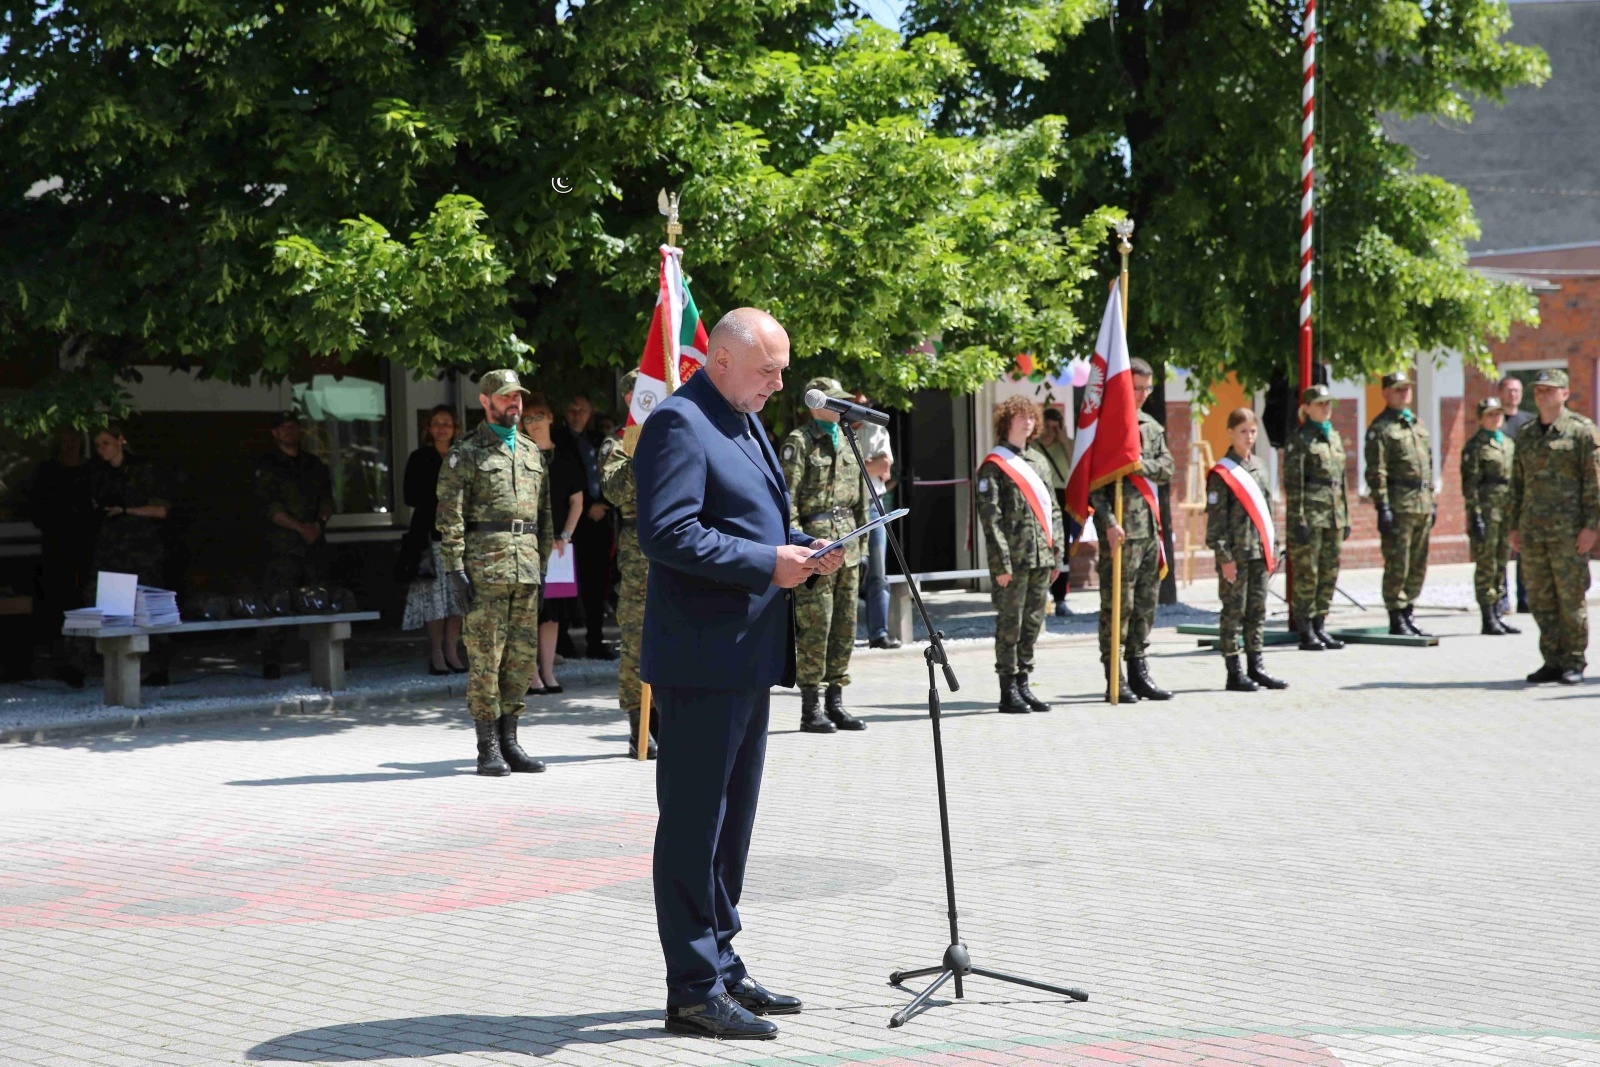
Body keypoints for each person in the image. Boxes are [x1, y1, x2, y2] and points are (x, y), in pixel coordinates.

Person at [634, 307, 845, 1040]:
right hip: (700, 659)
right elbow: (667, 532)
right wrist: (767, 562)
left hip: (745, 655)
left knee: (732, 824)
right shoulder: (680, 423)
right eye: (768, 369)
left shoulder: (743, 416)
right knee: (694, 824)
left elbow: (755, 523)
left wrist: (801, 547)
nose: (779, 383)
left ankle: (721, 962)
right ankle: (691, 987)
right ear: (720, 359)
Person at [436, 370, 555, 776]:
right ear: (485, 402)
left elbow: (545, 515)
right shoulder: (465, 451)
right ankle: (487, 746)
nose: (515, 405)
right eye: (506, 398)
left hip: (525, 569)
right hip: (485, 570)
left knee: (521, 660)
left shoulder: (530, 451)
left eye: (517, 398)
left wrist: (541, 566)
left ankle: (510, 740)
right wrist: (454, 569)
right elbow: (449, 516)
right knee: (487, 659)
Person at [779, 377, 869, 734]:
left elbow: (861, 500)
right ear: (815, 404)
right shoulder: (799, 443)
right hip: (816, 548)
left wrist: (861, 545)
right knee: (817, 627)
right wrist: (802, 549)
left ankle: (836, 701)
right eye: (834, 401)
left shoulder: (849, 440)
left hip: (847, 546)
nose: (841, 407)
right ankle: (810, 707)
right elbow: (787, 502)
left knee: (845, 627)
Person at [1089, 357, 1173, 702]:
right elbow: (1095, 487)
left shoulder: (1151, 427)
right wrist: (1108, 523)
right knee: (1116, 607)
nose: (1141, 394)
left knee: (1145, 605)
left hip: (1149, 530)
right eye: (1135, 388)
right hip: (1120, 534)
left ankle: (1138, 670)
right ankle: (1115, 675)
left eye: (1146, 388)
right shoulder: (1109, 429)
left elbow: (1167, 467)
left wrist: (1140, 465)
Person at [1508, 368, 1598, 686]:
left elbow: (1594, 482)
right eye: (1538, 390)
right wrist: (1514, 526)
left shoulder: (1582, 431)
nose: (1542, 394)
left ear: (1565, 394)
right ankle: (1552, 659)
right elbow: (1517, 483)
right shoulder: (1528, 433)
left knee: (1570, 598)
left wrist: (1592, 526)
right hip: (1533, 531)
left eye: (1549, 389)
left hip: (1569, 533)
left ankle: (1574, 660)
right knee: (1540, 598)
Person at [976, 396, 1064, 713]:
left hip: (1041, 558)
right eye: (1020, 417)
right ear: (1006, 421)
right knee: (1010, 625)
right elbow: (991, 519)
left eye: (1031, 417)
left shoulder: (1039, 462)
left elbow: (1054, 510)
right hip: (1012, 562)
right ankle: (1007, 689)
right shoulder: (994, 466)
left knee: (1032, 624)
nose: (1027, 422)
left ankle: (1024, 683)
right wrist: (1001, 564)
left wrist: (1057, 553)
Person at [1205, 409, 1287, 692]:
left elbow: (1269, 511)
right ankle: (1233, 670)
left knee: (1257, 610)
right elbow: (1215, 525)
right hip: (1236, 555)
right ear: (1230, 433)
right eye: (1243, 431)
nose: (1249, 437)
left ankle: (1256, 665)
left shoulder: (1261, 467)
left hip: (1259, 553)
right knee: (1233, 611)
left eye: (1252, 431)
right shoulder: (1223, 473)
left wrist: (1273, 548)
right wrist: (1224, 558)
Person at [599, 370, 657, 757]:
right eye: (641, 393)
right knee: (637, 639)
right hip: (640, 551)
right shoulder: (618, 442)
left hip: (680, 544)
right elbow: (613, 491)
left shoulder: (678, 430)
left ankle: (671, 719)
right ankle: (639, 724)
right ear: (628, 398)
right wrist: (643, 448)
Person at [88, 423, 172, 685]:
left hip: (143, 548)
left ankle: (159, 669)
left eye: (106, 443)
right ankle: (118, 672)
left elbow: (161, 510)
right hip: (113, 549)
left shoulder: (143, 470)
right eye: (98, 444)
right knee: (114, 613)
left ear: (120, 441)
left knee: (150, 608)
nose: (102, 449)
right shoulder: (99, 474)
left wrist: (126, 511)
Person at [254, 411, 334, 679]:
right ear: (275, 433)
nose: (289, 431)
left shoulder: (313, 464)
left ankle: (326, 657)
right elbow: (268, 506)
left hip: (313, 545)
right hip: (281, 548)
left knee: (319, 600)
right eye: (283, 427)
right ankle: (272, 661)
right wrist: (300, 528)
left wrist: (318, 526)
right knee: (276, 602)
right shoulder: (267, 466)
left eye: (293, 426)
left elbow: (326, 498)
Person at [1364, 370, 1435, 638]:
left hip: (1422, 503)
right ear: (1385, 393)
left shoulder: (1417, 424)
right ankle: (1396, 615)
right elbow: (1376, 471)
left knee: (1418, 562)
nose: (1404, 392)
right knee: (1398, 562)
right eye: (1398, 389)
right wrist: (1382, 507)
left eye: (1407, 388)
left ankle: (1409, 612)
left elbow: (1427, 464)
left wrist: (1433, 500)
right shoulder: (1381, 428)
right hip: (1399, 504)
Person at [400, 405, 469, 674]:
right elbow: (410, 496)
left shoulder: (461, 456)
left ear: (455, 429)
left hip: (460, 536)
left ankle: (453, 650)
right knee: (436, 600)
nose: (442, 428)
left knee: (457, 599)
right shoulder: (419, 457)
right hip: (430, 537)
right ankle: (436, 653)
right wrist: (441, 500)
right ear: (428, 429)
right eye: (437, 423)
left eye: (447, 424)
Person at [523, 396, 583, 695]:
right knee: (530, 611)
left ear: (549, 418)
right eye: (528, 418)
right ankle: (531, 675)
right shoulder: (521, 457)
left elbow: (577, 501)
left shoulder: (565, 458)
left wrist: (567, 535)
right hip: (527, 546)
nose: (533, 422)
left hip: (559, 548)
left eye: (538, 416)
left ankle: (548, 672)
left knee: (552, 614)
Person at [1283, 384, 1350, 651]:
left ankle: (1321, 624)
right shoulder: (1300, 439)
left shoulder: (1333, 436)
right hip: (1310, 515)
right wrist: (1297, 519)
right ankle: (1306, 629)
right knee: (1306, 574)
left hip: (1334, 515)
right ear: (1307, 408)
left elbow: (1341, 481)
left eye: (1328, 403)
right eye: (1320, 404)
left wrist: (1346, 516)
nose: (1326, 408)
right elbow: (1294, 483)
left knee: (1329, 571)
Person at [27, 429, 95, 687]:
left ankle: (83, 657)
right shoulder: (47, 471)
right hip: (57, 545)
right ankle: (59, 658)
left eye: (74, 440)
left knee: (85, 599)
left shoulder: (90, 471)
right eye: (65, 440)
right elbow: (36, 506)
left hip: (88, 545)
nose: (70, 445)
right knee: (57, 600)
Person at [1460, 396, 1519, 637]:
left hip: (1506, 509)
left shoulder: (1507, 443)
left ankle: (1498, 611)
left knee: (1502, 561)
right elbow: (1470, 485)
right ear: (1481, 418)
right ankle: (1487, 616)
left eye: (1498, 414)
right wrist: (1474, 516)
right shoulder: (1475, 446)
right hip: (1487, 509)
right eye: (1490, 414)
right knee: (1487, 563)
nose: (1496, 418)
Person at [564, 392, 615, 659]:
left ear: (590, 412)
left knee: (597, 585)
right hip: (570, 524)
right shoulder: (559, 441)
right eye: (572, 408)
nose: (576, 414)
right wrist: (585, 510)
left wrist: (604, 504)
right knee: (564, 586)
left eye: (582, 409)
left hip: (599, 521)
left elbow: (610, 475)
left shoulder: (598, 440)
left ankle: (595, 640)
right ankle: (562, 642)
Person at [854, 390, 900, 650]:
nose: (863, 408)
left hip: (873, 505)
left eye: (866, 404)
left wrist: (853, 464)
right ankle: (842, 635)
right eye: (857, 404)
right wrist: (868, 463)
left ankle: (879, 634)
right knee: (848, 571)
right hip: (846, 508)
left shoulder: (876, 429)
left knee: (878, 573)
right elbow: (874, 465)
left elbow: (884, 467)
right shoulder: (835, 429)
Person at [1498, 375, 1533, 614]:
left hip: (1523, 492)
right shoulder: (1494, 421)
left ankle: (1525, 597)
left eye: (1517, 391)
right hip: (1499, 494)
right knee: (1500, 547)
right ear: (1500, 393)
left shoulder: (1529, 423)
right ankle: (1501, 598)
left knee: (1524, 546)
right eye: (1509, 390)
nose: (1513, 395)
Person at [1038, 406, 1074, 617]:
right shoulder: (1033, 445)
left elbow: (1074, 464)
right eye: (1048, 426)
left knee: (1061, 548)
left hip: (1061, 496)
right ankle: (1041, 596)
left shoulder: (1065, 444)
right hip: (1041, 496)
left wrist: (1062, 439)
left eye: (1055, 427)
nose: (1051, 431)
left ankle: (1060, 598)